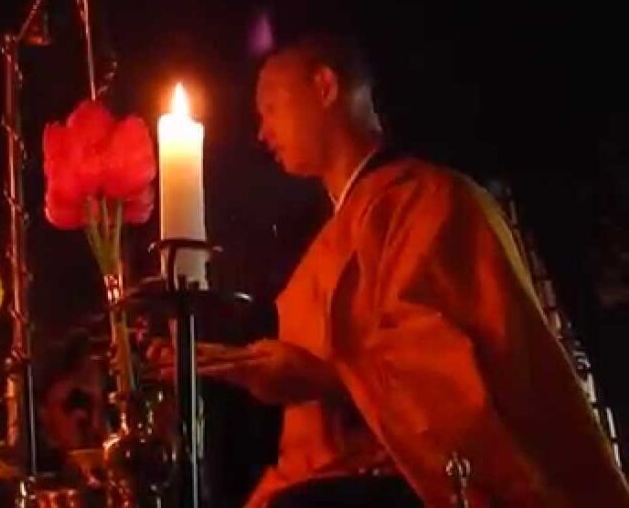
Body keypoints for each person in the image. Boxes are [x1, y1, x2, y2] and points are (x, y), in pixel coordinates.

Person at [197, 34, 629, 507]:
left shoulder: (431, 202)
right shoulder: (327, 247)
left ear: (324, 86)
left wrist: (323, 377)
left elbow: (451, 382)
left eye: (270, 108)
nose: (261, 132)